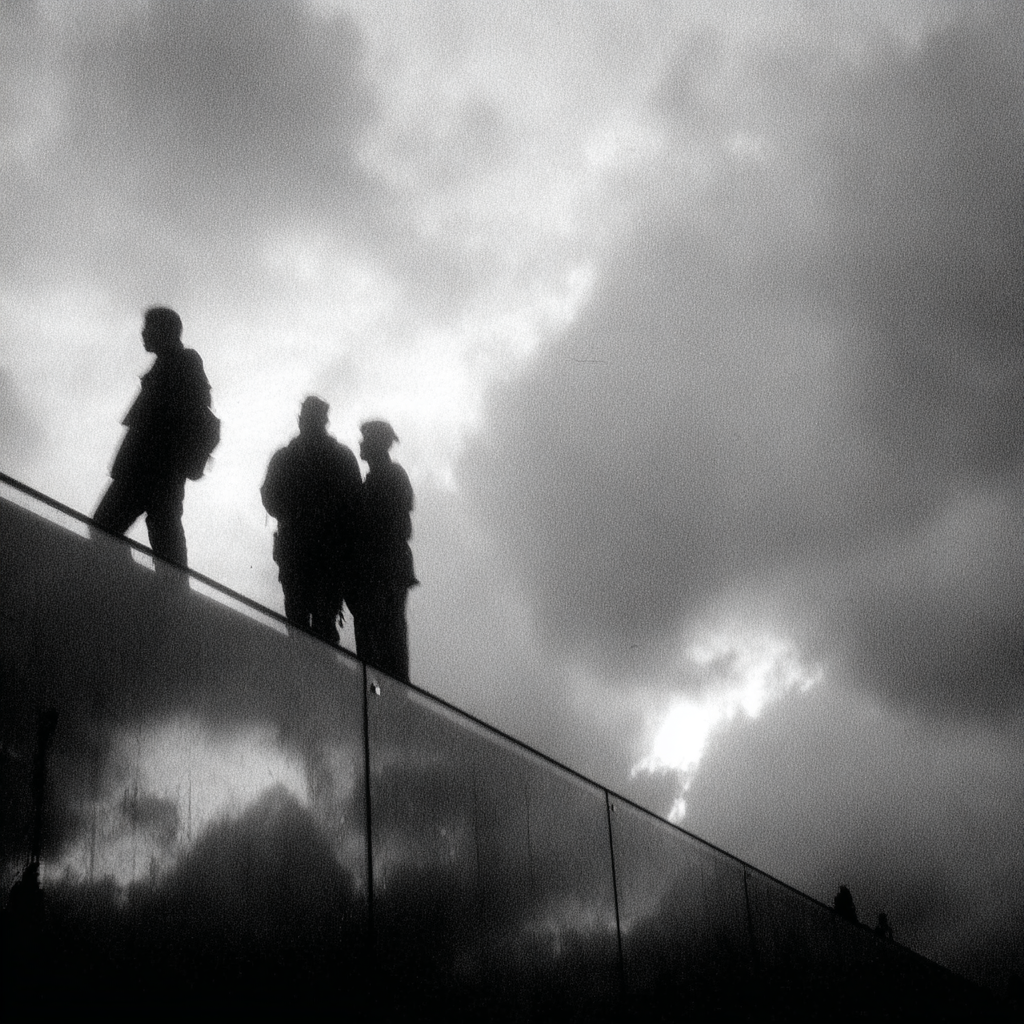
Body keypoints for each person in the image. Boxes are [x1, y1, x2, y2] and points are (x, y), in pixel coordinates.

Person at [93, 306, 212, 569]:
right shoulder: (172, 364)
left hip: (153, 471)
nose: (143, 333)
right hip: (150, 471)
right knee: (165, 547)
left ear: (164, 331)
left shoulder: (183, 362)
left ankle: (158, 596)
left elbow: (188, 414)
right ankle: (158, 596)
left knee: (106, 531)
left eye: (149, 328)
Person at [261, 396, 362, 644]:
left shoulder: (286, 457)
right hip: (324, 555)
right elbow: (355, 506)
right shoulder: (341, 457)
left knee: (301, 624)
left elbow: (269, 498)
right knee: (320, 624)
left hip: (305, 553)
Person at [351, 419, 417, 682]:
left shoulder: (388, 478)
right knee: (384, 649)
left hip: (382, 575)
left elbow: (387, 527)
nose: (361, 443)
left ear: (377, 444)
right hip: (384, 574)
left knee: (384, 650)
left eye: (366, 439)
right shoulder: (384, 478)